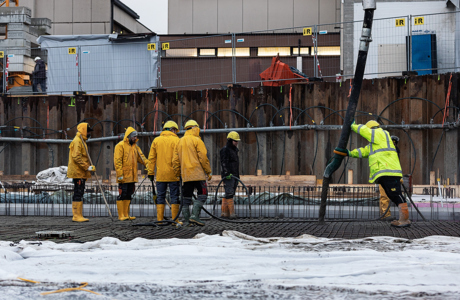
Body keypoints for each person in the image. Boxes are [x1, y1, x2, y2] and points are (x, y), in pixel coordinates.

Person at [338, 120, 410, 227]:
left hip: (389, 171)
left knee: (395, 194)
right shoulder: (375, 143)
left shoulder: (380, 133)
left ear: (371, 128)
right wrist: (348, 153)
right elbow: (363, 152)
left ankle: (404, 220)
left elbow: (364, 131)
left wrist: (352, 125)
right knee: (392, 194)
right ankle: (403, 219)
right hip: (385, 173)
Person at [172, 119, 212, 226]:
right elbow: (203, 158)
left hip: (186, 175)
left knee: (186, 197)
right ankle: (194, 216)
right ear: (195, 128)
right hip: (197, 174)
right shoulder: (197, 140)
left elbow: (175, 160)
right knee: (203, 194)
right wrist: (208, 172)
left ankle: (187, 220)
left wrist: (177, 173)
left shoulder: (179, 141)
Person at [148, 120, 182, 225]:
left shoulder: (156, 141)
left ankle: (159, 221)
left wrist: (150, 172)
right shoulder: (177, 141)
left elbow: (151, 158)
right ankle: (174, 220)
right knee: (174, 196)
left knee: (160, 196)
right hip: (174, 174)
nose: (176, 132)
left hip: (161, 175)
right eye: (175, 130)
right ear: (172, 129)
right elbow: (180, 158)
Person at [114, 127, 148, 221]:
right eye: (134, 136)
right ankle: (121, 215)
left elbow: (142, 158)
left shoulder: (135, 147)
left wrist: (148, 164)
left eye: (136, 136)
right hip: (124, 176)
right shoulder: (120, 146)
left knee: (129, 194)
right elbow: (118, 161)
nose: (135, 138)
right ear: (129, 136)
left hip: (132, 177)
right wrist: (120, 174)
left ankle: (126, 214)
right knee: (122, 194)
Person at [67, 122, 95, 222]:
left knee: (80, 191)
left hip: (80, 172)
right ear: (84, 131)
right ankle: (76, 216)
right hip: (78, 172)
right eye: (88, 132)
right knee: (78, 192)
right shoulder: (77, 141)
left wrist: (88, 168)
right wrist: (87, 167)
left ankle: (79, 215)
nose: (89, 134)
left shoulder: (82, 141)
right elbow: (76, 157)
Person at [379, 135, 401, 221]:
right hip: (384, 175)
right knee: (384, 195)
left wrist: (399, 177)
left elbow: (397, 165)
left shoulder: (395, 152)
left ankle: (386, 214)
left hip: (392, 176)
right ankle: (385, 215)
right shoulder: (384, 151)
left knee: (394, 195)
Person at [220, 131, 240, 219]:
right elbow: (224, 162)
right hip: (229, 175)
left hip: (234, 175)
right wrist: (226, 173)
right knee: (229, 193)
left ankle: (225, 213)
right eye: (235, 141)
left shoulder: (234, 150)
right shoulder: (225, 150)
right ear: (230, 140)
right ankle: (231, 214)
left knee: (229, 193)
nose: (237, 142)